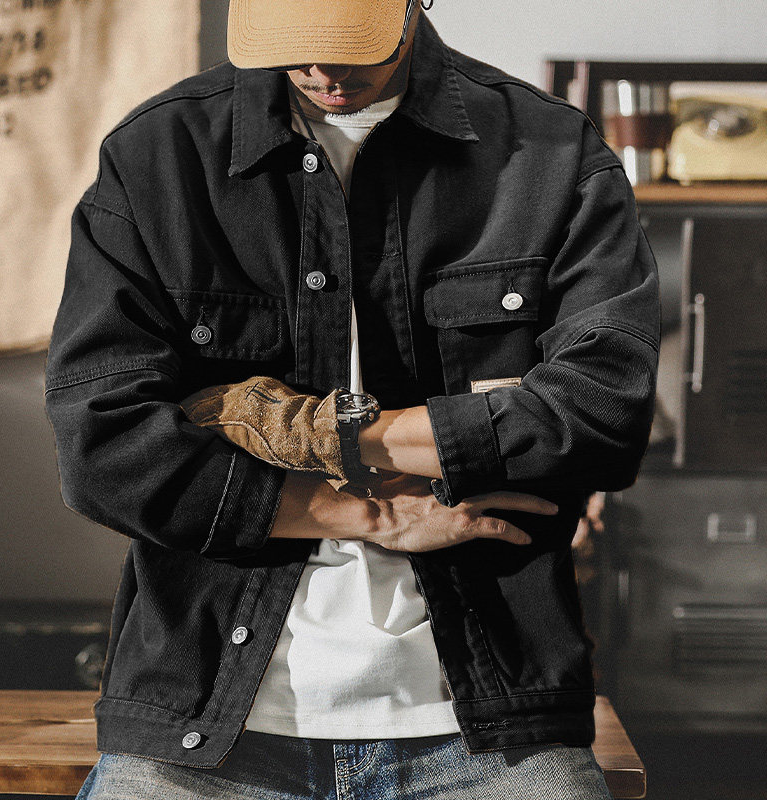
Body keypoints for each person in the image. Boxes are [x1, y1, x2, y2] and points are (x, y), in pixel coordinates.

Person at [45, 1, 660, 798]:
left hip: (492, 724)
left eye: (350, 43)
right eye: (293, 44)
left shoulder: (551, 151)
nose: (322, 70)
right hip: (204, 727)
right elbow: (102, 448)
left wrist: (316, 433)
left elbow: (605, 409)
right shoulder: (158, 155)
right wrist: (366, 510)